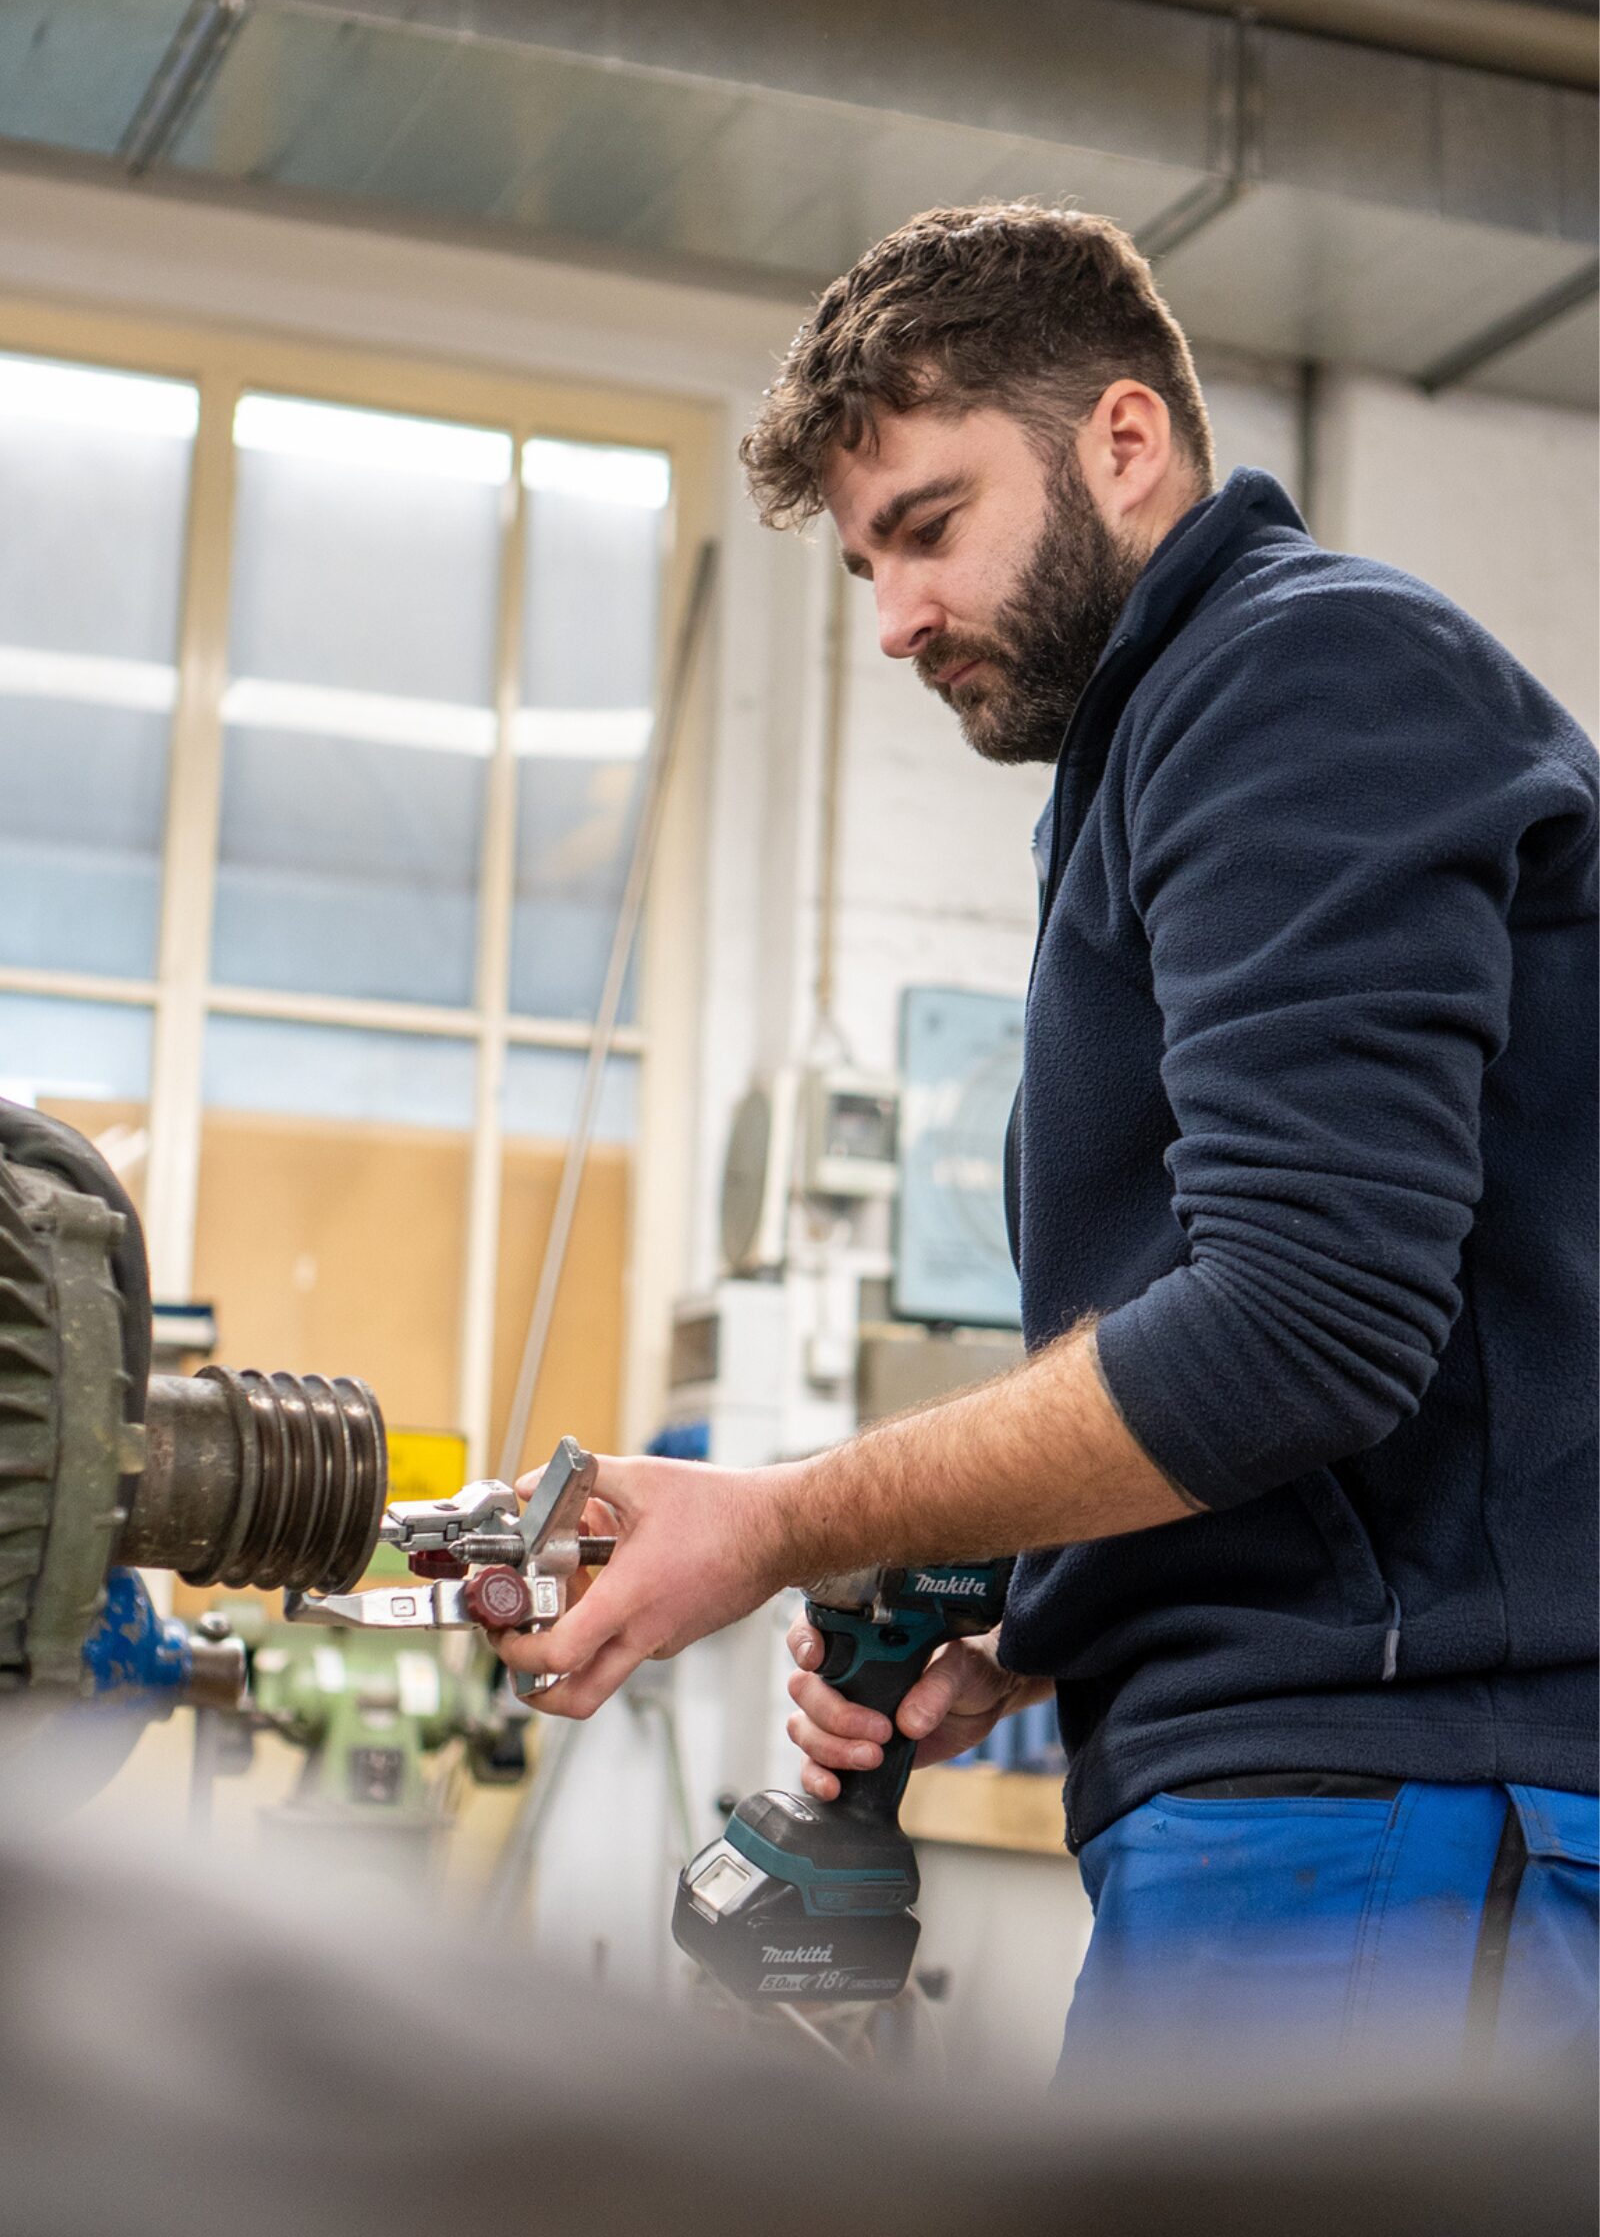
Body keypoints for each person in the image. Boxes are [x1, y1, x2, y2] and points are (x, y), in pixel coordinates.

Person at [498, 204, 1599, 2077]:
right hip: (1323, 1801)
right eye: (864, 564)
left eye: (927, 528)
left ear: (1122, 439)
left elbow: (1305, 1322)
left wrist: (776, 1522)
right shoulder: (1165, 745)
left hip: (1402, 1813)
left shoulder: (1299, 682)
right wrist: (1036, 1614)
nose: (893, 618)